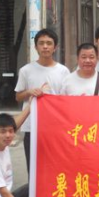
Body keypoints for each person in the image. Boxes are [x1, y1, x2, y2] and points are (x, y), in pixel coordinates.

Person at [15, 28, 70, 175]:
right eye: (41, 43)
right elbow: (18, 96)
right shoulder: (26, 70)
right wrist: (29, 92)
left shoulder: (63, 71)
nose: (45, 46)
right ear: (36, 47)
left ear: (55, 47)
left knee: (56, 167)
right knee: (33, 168)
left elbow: (66, 99)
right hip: (31, 127)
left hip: (55, 128)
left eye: (49, 43)